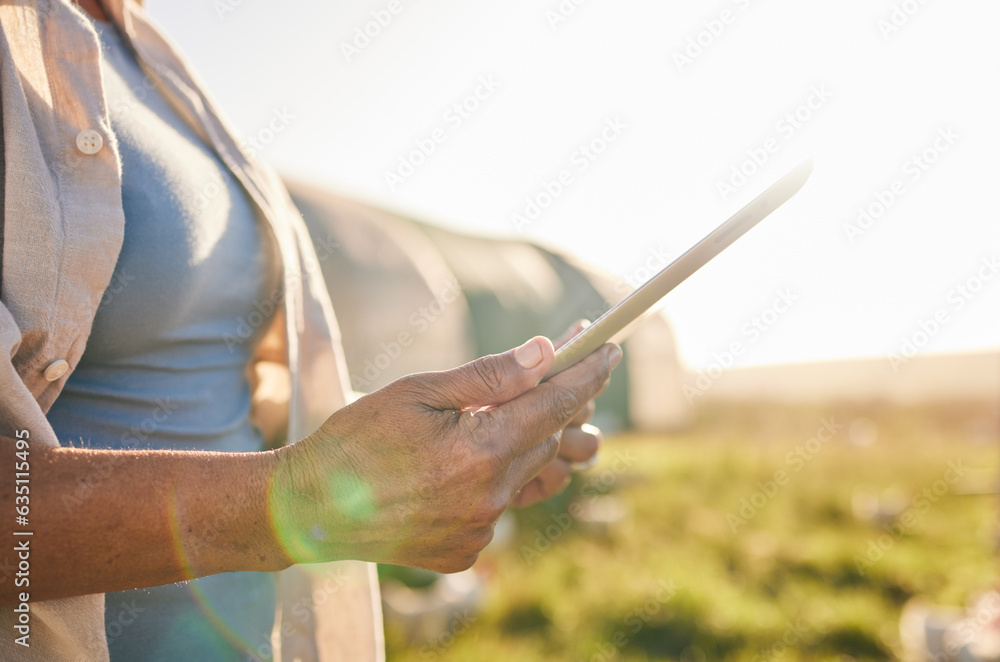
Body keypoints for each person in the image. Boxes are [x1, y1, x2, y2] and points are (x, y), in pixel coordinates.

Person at [0, 0, 620, 660]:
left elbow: (232, 396)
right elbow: (282, 489)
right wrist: (299, 500)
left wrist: (438, 460)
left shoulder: (149, 56)